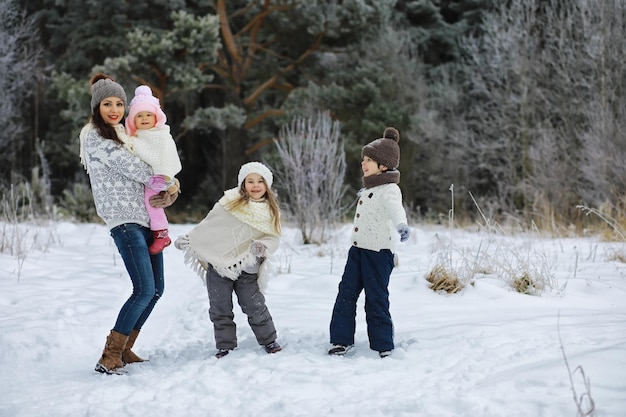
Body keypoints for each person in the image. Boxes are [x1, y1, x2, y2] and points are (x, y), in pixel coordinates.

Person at [79, 73, 180, 374]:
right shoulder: (94, 136)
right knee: (143, 288)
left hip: (147, 217)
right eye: (107, 103)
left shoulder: (127, 136)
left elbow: (155, 167)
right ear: (97, 107)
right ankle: (109, 355)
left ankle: (124, 348)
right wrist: (169, 182)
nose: (114, 109)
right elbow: (138, 168)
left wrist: (171, 189)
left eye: (120, 103)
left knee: (157, 289)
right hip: (124, 221)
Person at [175, 162, 282, 358]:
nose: (255, 185)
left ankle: (269, 340)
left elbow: (273, 238)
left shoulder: (269, 210)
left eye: (260, 181)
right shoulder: (227, 203)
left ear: (267, 185)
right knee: (219, 307)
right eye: (250, 181)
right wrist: (191, 240)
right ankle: (225, 345)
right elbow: (209, 226)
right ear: (243, 183)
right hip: (218, 265)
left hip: (247, 267)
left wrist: (263, 246)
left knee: (254, 305)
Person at [328, 127, 410, 358]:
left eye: (369, 160)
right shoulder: (369, 189)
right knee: (346, 294)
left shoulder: (390, 189)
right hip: (357, 251)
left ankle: (383, 344)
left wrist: (401, 225)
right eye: (363, 159)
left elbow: (396, 209)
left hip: (378, 253)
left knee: (376, 298)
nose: (363, 163)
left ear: (384, 165)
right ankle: (340, 340)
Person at [125, 85, 182, 255]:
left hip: (159, 177)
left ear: (156, 116)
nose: (144, 118)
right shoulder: (135, 138)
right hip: (145, 178)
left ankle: (162, 233)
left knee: (153, 201)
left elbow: (166, 155)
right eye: (139, 116)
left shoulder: (162, 134)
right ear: (133, 120)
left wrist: (166, 176)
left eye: (148, 115)